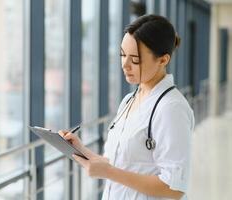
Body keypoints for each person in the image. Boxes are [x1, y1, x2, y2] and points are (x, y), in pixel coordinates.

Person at [59, 14, 195, 200]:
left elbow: (174, 188)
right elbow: (121, 164)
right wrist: (81, 149)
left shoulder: (171, 108)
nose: (125, 64)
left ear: (163, 60)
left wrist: (109, 173)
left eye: (135, 60)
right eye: (123, 54)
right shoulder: (129, 100)